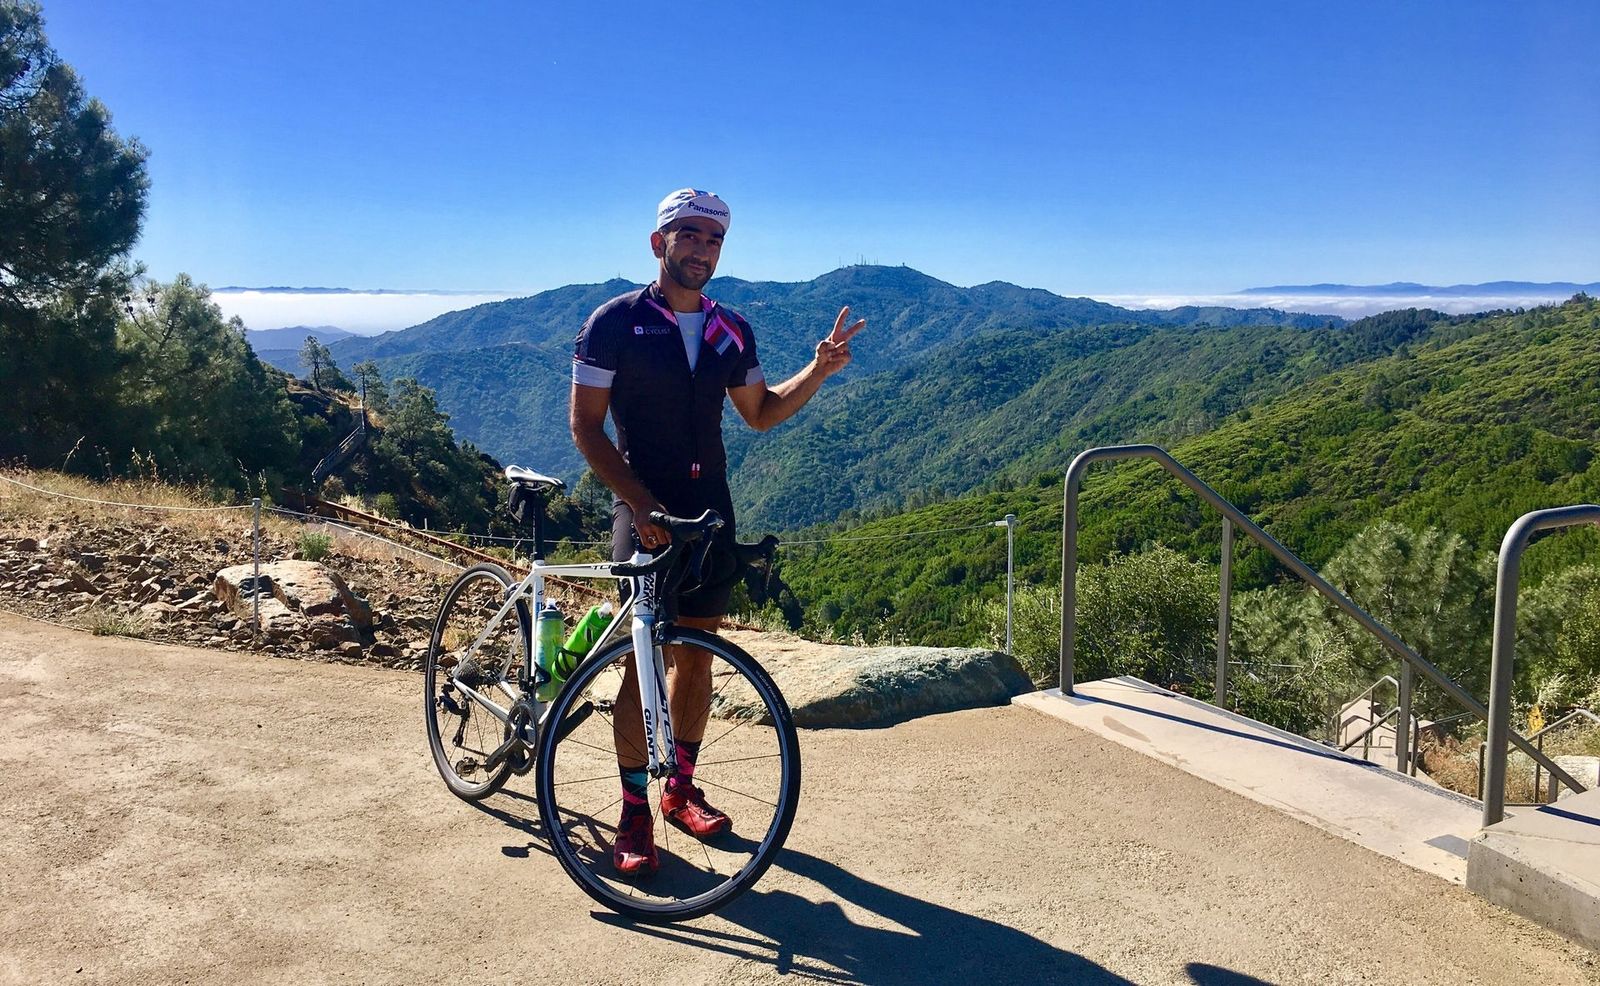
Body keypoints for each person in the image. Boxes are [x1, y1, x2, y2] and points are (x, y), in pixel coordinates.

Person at [570, 188, 865, 876]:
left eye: (714, 240)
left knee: (697, 658)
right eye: (690, 235)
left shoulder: (730, 328)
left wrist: (819, 370)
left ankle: (679, 789)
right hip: (642, 504)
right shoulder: (613, 323)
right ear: (659, 243)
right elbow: (585, 427)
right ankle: (633, 811)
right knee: (643, 663)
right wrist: (639, 503)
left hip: (710, 509)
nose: (703, 249)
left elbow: (760, 412)